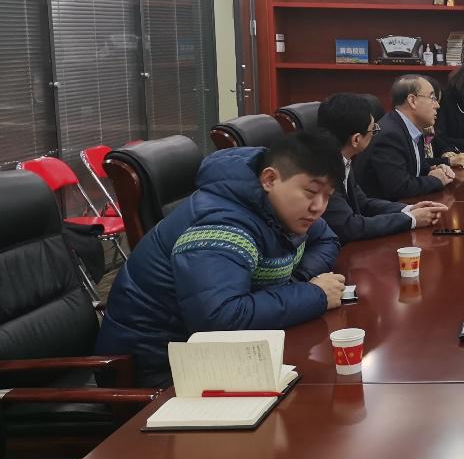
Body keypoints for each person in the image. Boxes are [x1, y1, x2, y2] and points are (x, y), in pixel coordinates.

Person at [95, 131, 346, 386]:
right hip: (154, 369)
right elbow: (220, 320)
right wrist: (314, 295)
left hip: (213, 355)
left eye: (327, 196)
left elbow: (327, 239)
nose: (318, 207)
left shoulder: (282, 209)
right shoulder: (222, 224)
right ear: (269, 179)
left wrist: (297, 281)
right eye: (311, 192)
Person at [317, 93, 448, 242]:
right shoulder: (323, 171)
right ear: (356, 139)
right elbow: (350, 227)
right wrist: (411, 219)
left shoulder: (342, 158)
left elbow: (363, 203)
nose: (375, 134)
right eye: (373, 130)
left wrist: (409, 209)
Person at [357, 74, 462, 201]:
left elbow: (418, 168)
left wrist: (435, 169)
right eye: (432, 98)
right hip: (386, 209)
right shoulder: (390, 135)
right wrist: (436, 180)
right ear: (412, 101)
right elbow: (399, 187)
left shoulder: (411, 128)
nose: (437, 105)